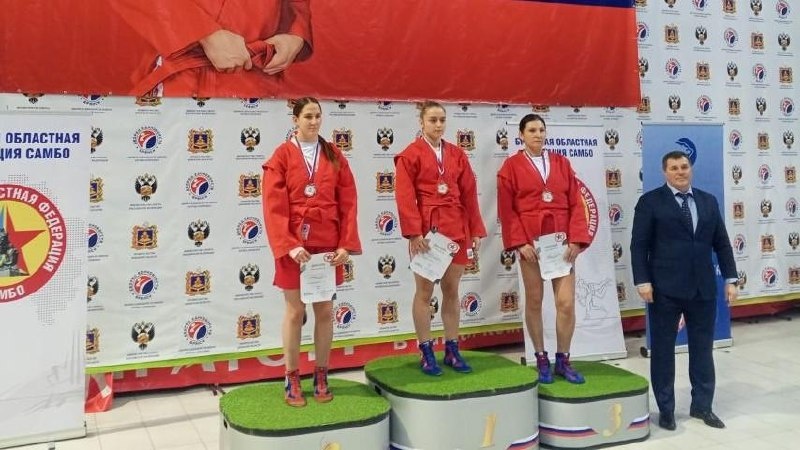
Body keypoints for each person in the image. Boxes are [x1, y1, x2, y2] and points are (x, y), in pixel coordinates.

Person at [262, 97, 361, 407]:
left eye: (318, 115)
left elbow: (348, 201)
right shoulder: (281, 156)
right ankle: (291, 376)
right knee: (295, 312)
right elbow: (273, 205)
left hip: (327, 244)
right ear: (295, 119)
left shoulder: (333, 154)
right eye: (308, 116)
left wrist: (345, 243)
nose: (314, 121)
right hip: (295, 246)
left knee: (325, 311)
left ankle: (321, 374)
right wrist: (289, 244)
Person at [630, 150, 737, 430]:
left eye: (684, 166)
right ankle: (666, 410)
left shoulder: (708, 201)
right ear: (664, 172)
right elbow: (639, 245)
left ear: (691, 168)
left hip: (703, 289)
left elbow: (722, 243)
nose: (680, 172)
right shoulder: (650, 202)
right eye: (674, 168)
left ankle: (702, 406)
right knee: (663, 352)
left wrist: (731, 278)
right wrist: (642, 281)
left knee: (703, 350)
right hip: (664, 289)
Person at [497, 114, 592, 384]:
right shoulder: (511, 167)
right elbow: (507, 209)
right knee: (535, 300)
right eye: (531, 130)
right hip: (531, 244)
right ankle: (540, 357)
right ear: (521, 135)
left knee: (566, 303)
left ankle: (563, 359)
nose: (538, 134)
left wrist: (576, 239)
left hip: (561, 243)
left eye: (541, 129)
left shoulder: (561, 163)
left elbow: (575, 203)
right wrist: (520, 243)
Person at [394, 101, 487, 376]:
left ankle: (452, 349)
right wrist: (414, 233)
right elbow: (404, 197)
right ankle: (426, 350)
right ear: (421, 122)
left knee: (452, 290)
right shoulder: (410, 155)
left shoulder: (457, 154)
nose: (438, 125)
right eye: (432, 120)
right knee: (424, 293)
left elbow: (469, 193)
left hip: (456, 229)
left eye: (442, 120)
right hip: (428, 233)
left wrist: (475, 230)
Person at [110, 0, 313, 97]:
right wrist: (204, 33)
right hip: (185, 80)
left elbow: (296, 5)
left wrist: (295, 35)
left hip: (259, 81)